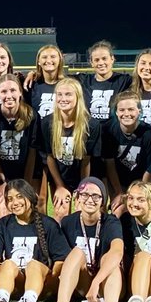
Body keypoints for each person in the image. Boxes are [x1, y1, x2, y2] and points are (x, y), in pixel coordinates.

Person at [0, 179, 69, 302]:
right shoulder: (3, 224)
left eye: (20, 197)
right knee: (7, 263)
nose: (14, 202)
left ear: (31, 197)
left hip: (42, 282)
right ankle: (1, 299)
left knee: (33, 264)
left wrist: (49, 280)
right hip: (16, 281)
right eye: (9, 199)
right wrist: (0, 275)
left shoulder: (48, 224)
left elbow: (61, 260)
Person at [51, 177, 125, 302]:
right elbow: (60, 255)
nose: (90, 200)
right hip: (83, 282)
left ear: (103, 201)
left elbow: (118, 252)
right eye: (85, 195)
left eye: (96, 196)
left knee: (110, 260)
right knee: (77, 252)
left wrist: (97, 282)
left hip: (107, 284)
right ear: (77, 198)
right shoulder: (68, 222)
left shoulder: (111, 222)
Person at [40, 78, 101, 220]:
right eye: (59, 95)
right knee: (60, 213)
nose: (63, 99)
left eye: (68, 94)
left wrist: (82, 189)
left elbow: (86, 161)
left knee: (83, 213)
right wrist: (60, 186)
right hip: (59, 176)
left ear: (77, 97)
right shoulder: (47, 123)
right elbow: (50, 157)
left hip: (81, 177)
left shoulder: (91, 125)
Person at [0, 73, 41, 215]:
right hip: (0, 172)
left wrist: (25, 185)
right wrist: (1, 181)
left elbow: (32, 152)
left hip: (24, 171)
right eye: (3, 91)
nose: (8, 95)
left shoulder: (31, 115)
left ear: (20, 92)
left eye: (13, 90)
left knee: (29, 209)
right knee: (2, 209)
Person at [78, 40, 132, 123]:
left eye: (104, 58)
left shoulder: (124, 80)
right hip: (90, 133)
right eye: (96, 60)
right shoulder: (83, 80)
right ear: (91, 63)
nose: (101, 63)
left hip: (114, 134)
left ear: (112, 59)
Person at [27, 44, 65, 119]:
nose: (48, 60)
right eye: (44, 57)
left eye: (53, 57)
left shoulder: (68, 84)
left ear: (60, 60)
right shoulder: (31, 85)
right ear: (38, 61)